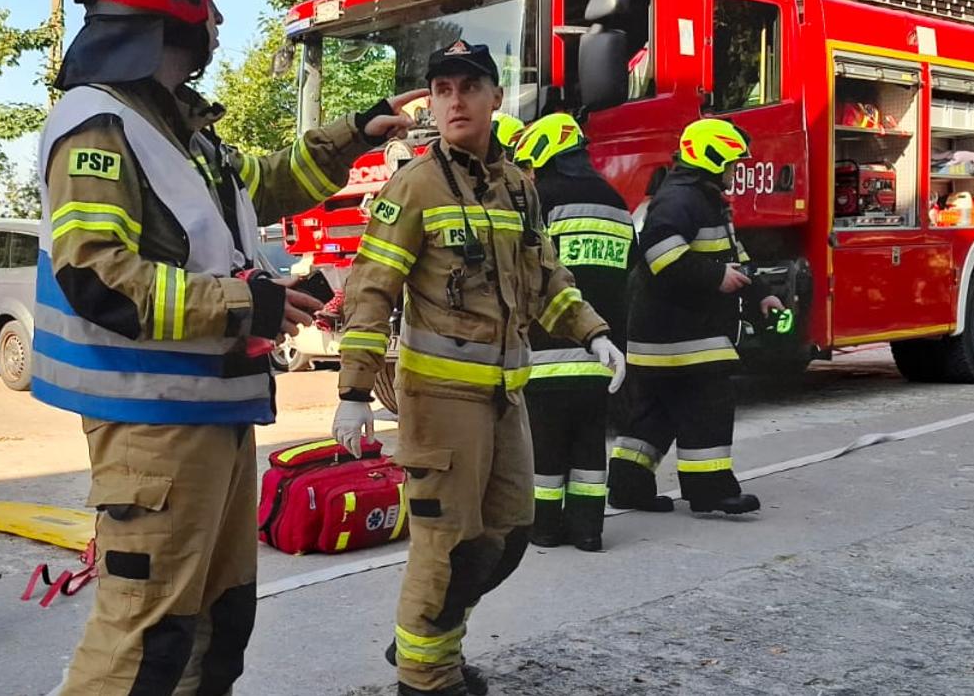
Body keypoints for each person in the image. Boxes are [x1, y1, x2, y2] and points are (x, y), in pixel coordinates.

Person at [35, 0, 423, 695]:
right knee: (145, 639)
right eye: (209, 1)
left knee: (218, 626)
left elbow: (264, 186)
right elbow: (95, 274)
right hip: (154, 429)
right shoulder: (99, 125)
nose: (216, 19)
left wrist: (359, 131)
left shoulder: (182, 129)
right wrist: (250, 305)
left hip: (210, 417)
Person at [331, 41, 625, 696]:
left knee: (510, 533)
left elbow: (547, 275)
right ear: (432, 102)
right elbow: (371, 289)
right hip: (439, 401)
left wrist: (593, 332)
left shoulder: (519, 185)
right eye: (442, 88)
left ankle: (427, 642)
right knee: (448, 544)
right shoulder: (414, 184)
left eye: (469, 87)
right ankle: (426, 677)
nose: (455, 100)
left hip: (506, 398)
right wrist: (353, 390)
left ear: (496, 98)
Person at [608, 118, 783, 517]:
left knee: (653, 416)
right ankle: (711, 491)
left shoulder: (700, 199)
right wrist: (715, 277)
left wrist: (760, 295)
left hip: (662, 337)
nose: (734, 172)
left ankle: (627, 486)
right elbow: (660, 256)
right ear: (712, 157)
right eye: (732, 163)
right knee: (708, 407)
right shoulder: (681, 200)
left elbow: (733, 257)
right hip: (686, 336)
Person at [511, 112, 633, 552]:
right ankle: (588, 530)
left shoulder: (539, 199)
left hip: (546, 352)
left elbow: (527, 271)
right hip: (601, 350)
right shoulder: (616, 202)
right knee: (588, 447)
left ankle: (544, 528)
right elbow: (631, 274)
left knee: (547, 449)